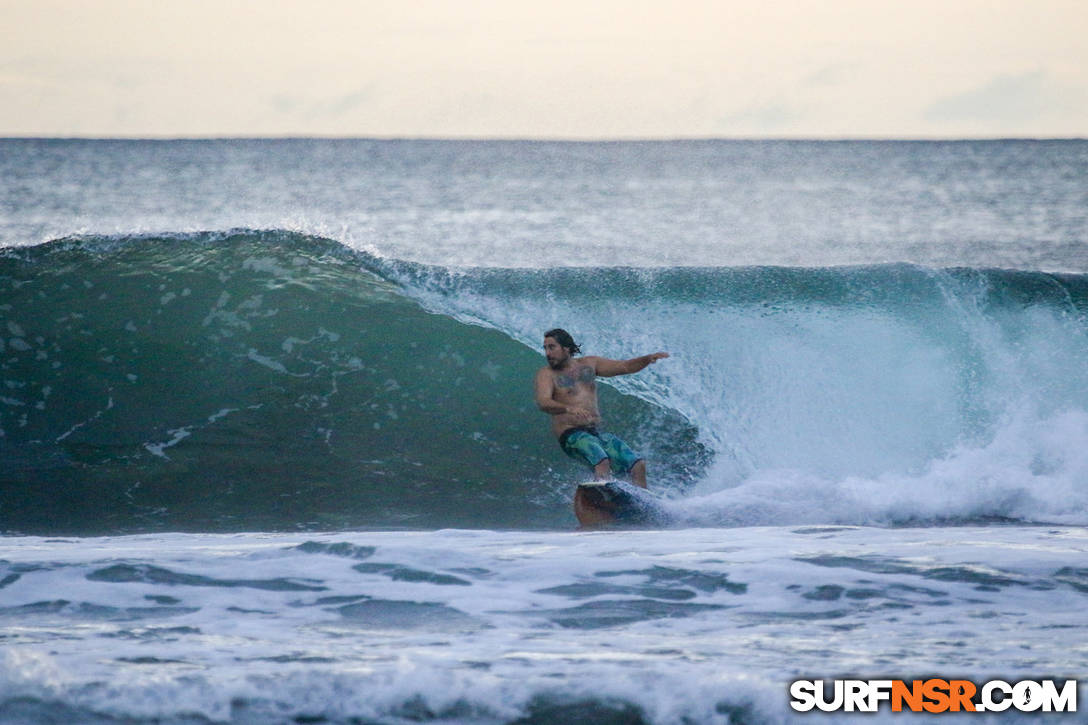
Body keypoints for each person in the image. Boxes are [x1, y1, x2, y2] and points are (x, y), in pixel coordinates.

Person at [534, 328, 669, 491]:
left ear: (566, 348)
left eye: (552, 347)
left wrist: (647, 359)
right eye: (545, 348)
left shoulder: (590, 364)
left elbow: (624, 366)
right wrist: (568, 408)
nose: (547, 353)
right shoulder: (546, 374)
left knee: (637, 465)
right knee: (601, 459)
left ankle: (645, 504)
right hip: (571, 435)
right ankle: (603, 496)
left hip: (595, 432)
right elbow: (543, 402)